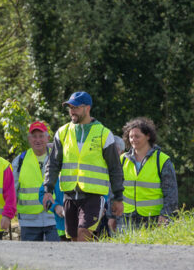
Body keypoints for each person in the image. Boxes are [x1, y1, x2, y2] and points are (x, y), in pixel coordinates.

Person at [43, 91, 124, 241]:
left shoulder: (103, 134)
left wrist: (118, 198)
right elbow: (53, 163)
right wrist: (48, 189)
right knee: (74, 240)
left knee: (83, 236)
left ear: (87, 108)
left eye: (76, 107)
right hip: (70, 195)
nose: (72, 111)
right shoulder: (62, 132)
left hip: (93, 196)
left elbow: (115, 168)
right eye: (70, 107)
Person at [120, 117, 178, 227]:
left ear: (148, 136)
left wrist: (165, 215)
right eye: (131, 137)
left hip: (155, 218)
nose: (133, 140)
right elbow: (115, 190)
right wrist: (112, 216)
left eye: (137, 136)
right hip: (127, 219)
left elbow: (171, 193)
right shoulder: (122, 159)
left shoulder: (162, 160)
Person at [12, 121, 61, 241]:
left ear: (48, 138)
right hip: (29, 221)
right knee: (30, 258)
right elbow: (12, 190)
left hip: (54, 218)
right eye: (34, 136)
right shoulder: (20, 160)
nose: (37, 140)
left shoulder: (58, 158)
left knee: (57, 256)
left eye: (41, 136)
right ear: (29, 139)